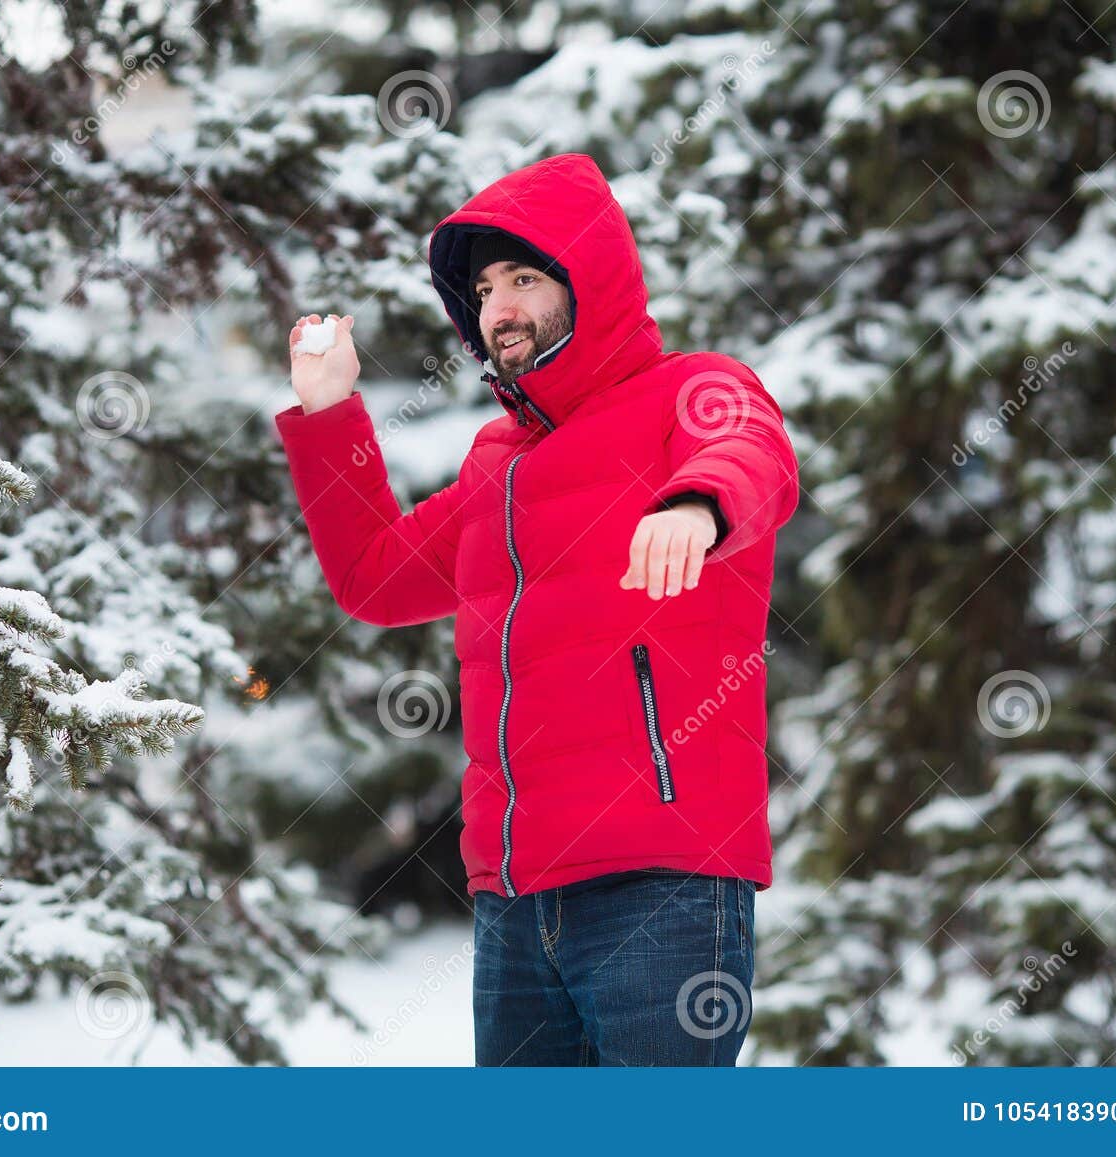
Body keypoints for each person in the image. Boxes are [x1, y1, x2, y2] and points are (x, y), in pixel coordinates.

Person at [273, 152, 799, 1065]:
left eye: (524, 277)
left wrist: (695, 503)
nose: (499, 307)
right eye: (482, 288)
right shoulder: (495, 462)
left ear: (587, 280)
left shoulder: (692, 388)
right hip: (514, 900)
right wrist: (329, 413)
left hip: (662, 885)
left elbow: (750, 451)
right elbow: (374, 574)